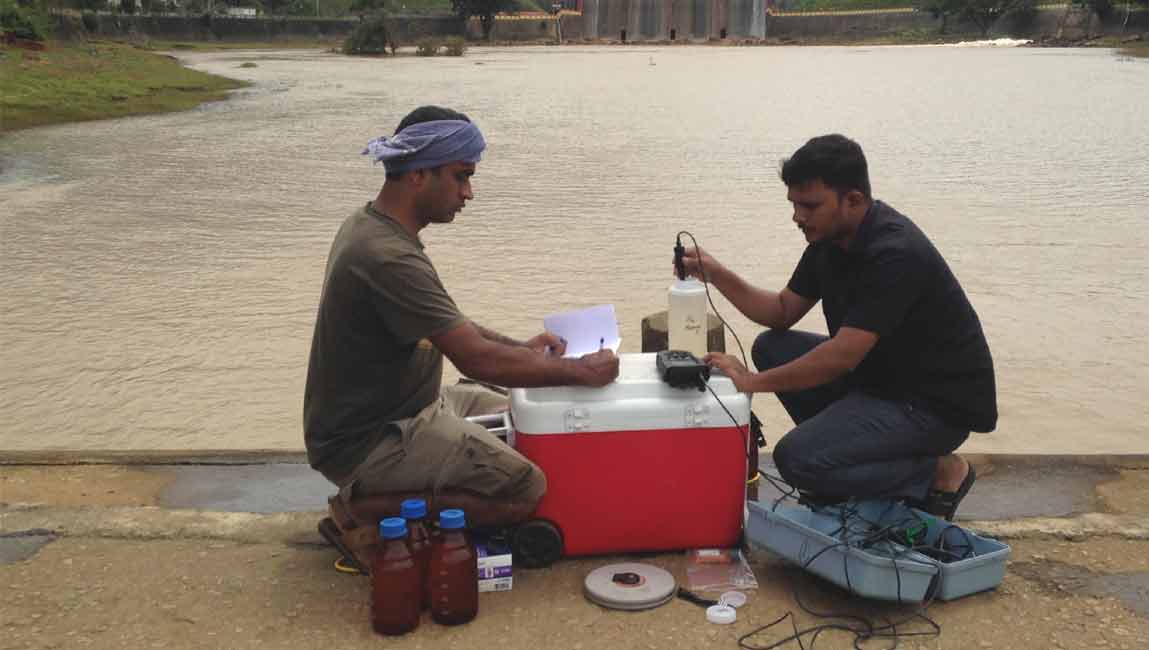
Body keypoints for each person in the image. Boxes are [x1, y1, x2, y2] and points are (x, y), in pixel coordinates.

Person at [304, 106, 619, 564]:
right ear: (417, 175)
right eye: (460, 176)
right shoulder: (387, 255)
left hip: (413, 406)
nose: (468, 192)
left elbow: (450, 327)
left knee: (523, 419)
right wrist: (576, 372)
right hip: (373, 441)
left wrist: (522, 349)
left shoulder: (374, 226)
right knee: (524, 487)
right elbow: (475, 360)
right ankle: (361, 507)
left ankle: (394, 493)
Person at [684, 134, 996, 520]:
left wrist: (750, 382)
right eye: (794, 204)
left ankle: (939, 471)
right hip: (883, 382)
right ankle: (844, 468)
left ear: (854, 200)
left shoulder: (895, 253)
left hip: (933, 406)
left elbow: (842, 356)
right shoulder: (829, 240)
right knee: (771, 346)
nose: (798, 216)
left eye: (809, 205)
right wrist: (714, 273)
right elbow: (782, 311)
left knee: (796, 460)